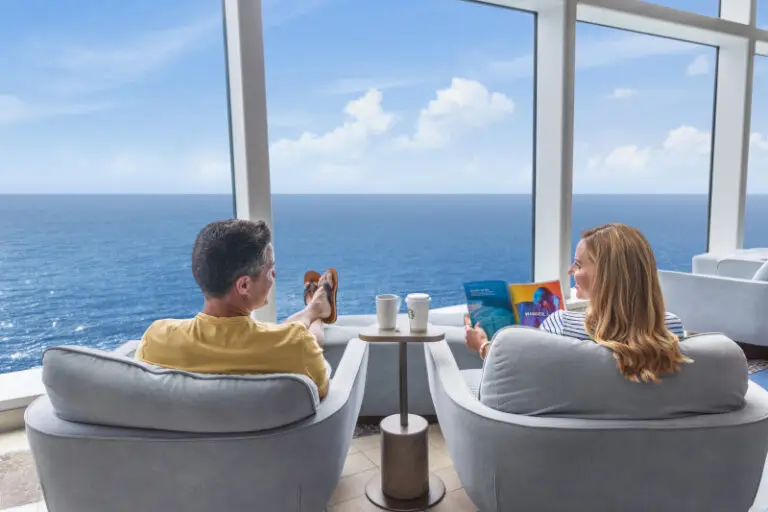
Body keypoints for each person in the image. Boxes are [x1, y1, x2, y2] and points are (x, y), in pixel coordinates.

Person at [135, 219, 338, 398]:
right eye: (271, 270)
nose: (274, 277)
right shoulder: (295, 344)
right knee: (304, 339)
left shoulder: (156, 338)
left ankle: (312, 309)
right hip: (270, 441)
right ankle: (317, 311)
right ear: (244, 285)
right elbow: (322, 388)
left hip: (187, 441)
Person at [465, 222, 690, 383]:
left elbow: (516, 374)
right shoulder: (673, 329)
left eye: (578, 265)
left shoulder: (559, 325)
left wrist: (482, 346)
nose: (571, 271)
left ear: (607, 275)